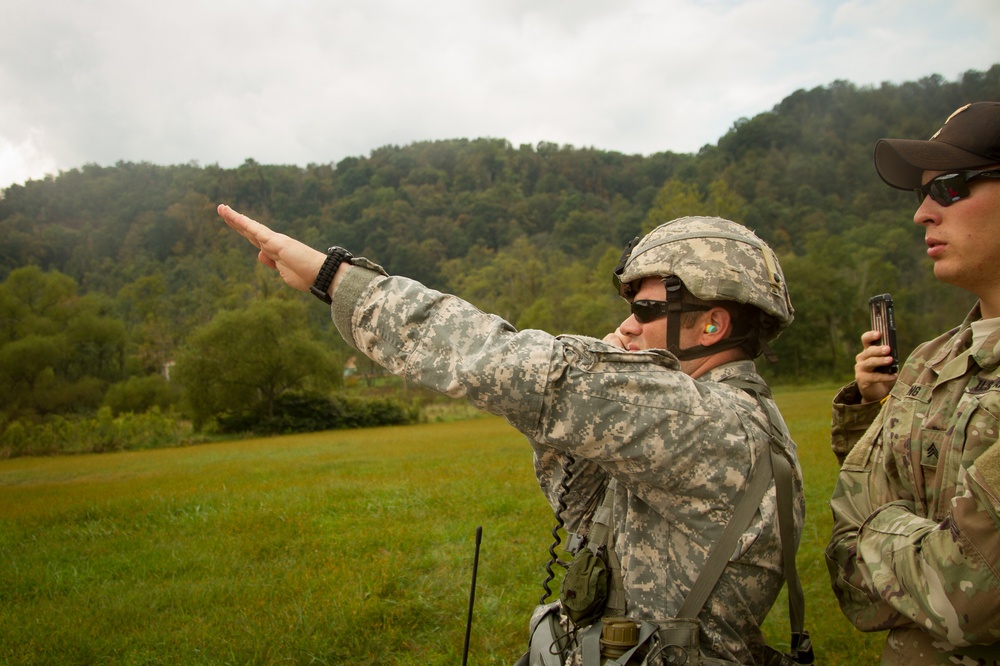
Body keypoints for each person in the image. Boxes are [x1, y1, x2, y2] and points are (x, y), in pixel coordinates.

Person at [217, 205, 806, 665]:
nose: (627, 324)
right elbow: (580, 505)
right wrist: (595, 386)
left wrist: (338, 281)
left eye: (649, 310)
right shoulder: (710, 420)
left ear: (712, 324)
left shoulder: (711, 426)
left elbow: (516, 366)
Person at [826, 101, 1000, 664]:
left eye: (948, 188)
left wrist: (874, 535)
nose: (922, 214)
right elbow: (844, 564)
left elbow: (969, 595)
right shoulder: (930, 360)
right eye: (922, 195)